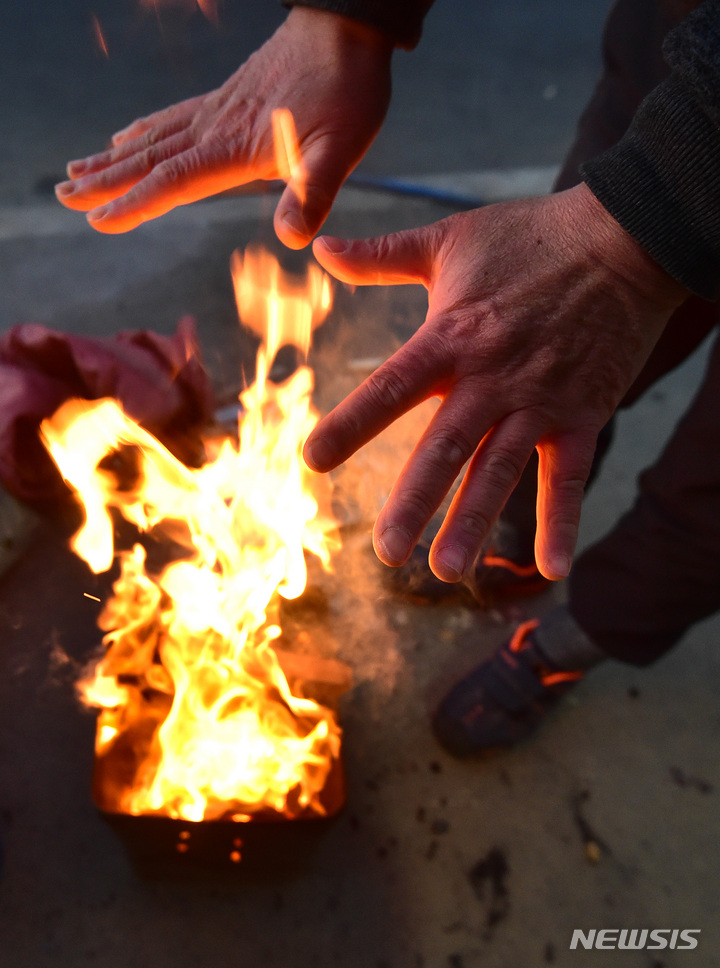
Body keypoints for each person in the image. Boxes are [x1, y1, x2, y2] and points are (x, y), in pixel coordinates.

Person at [55, 0, 720, 755]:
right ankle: (511, 541)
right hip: (675, 62)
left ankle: (575, 638)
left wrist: (634, 234)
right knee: (544, 366)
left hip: (695, 127)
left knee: (708, 494)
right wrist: (348, 18)